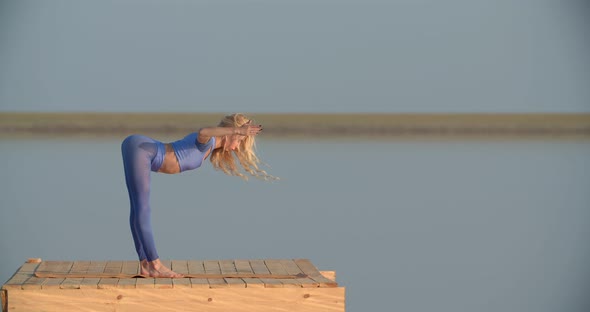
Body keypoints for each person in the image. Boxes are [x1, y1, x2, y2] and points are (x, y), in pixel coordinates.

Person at [121, 113, 272, 277]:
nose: (236, 147)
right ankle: (156, 265)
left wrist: (237, 133)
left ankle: (145, 266)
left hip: (141, 147)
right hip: (144, 150)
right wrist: (238, 130)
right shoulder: (209, 141)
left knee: (137, 209)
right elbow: (203, 131)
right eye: (239, 141)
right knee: (142, 208)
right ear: (232, 133)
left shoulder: (210, 146)